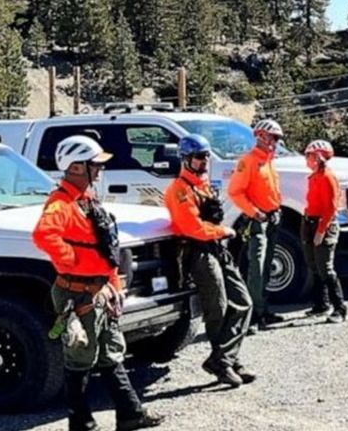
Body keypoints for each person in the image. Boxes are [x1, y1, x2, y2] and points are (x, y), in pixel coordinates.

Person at [32, 135, 162, 431]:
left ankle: (130, 414)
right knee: (80, 359)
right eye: (95, 165)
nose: (100, 171)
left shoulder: (86, 202)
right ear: (77, 167)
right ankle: (81, 422)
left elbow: (106, 252)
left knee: (111, 354)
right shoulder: (61, 204)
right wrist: (73, 262)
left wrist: (113, 286)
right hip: (78, 295)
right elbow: (43, 236)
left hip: (99, 291)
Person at [164, 133, 254, 387]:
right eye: (199, 157)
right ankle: (226, 363)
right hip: (198, 252)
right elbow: (192, 227)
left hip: (216, 248)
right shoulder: (179, 190)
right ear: (185, 159)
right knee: (218, 307)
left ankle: (223, 358)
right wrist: (225, 231)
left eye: (206, 156)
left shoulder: (203, 185)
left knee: (243, 302)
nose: (204, 161)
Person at [228, 118, 285, 332]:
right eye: (273, 137)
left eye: (278, 139)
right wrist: (255, 212)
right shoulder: (248, 161)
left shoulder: (269, 160)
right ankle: (251, 316)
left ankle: (263, 311)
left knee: (268, 265)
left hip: (272, 218)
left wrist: (276, 209)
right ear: (261, 136)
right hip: (256, 221)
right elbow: (235, 192)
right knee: (257, 268)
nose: (276, 142)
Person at [302, 139, 348, 322]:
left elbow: (330, 208)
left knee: (326, 267)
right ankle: (321, 304)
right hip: (310, 222)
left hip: (323, 224)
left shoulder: (328, 177)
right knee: (314, 265)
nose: (306, 159)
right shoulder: (314, 176)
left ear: (318, 157)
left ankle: (340, 308)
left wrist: (321, 231)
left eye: (309, 156)